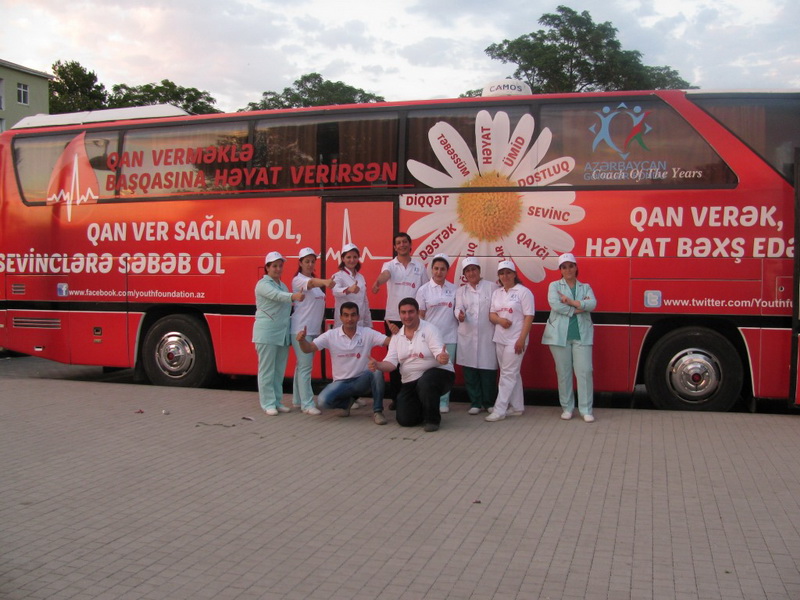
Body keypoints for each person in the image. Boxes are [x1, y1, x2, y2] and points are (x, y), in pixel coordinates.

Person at [295, 302, 393, 425]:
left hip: (361, 381)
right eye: (346, 315)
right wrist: (302, 341)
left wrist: (396, 333)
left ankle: (378, 411)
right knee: (323, 401)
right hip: (341, 383)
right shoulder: (331, 335)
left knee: (377, 371)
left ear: (358, 316)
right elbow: (308, 349)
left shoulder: (367, 333)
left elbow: (389, 342)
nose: (349, 319)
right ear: (340, 317)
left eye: (353, 315)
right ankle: (347, 403)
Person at [369, 298, 454, 432]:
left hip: (438, 373)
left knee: (426, 382)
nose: (407, 316)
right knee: (405, 420)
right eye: (403, 312)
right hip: (410, 380)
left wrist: (441, 357)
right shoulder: (396, 337)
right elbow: (390, 363)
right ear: (399, 314)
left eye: (411, 312)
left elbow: (438, 350)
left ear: (417, 312)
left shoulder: (430, 329)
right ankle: (423, 406)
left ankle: (432, 420)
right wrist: (378, 365)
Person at [371, 232, 429, 405]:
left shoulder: (419, 266)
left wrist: (422, 317)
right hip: (393, 320)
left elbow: (425, 290)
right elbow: (385, 275)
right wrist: (378, 283)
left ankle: (415, 396)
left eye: (405, 242)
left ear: (410, 245)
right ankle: (396, 398)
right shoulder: (389, 265)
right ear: (395, 247)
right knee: (395, 359)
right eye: (398, 243)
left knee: (414, 357)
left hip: (414, 320)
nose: (402, 245)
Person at [542, 253, 597, 423]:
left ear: (576, 267)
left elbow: (593, 304)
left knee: (585, 371)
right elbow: (556, 305)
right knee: (564, 373)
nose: (568, 270)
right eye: (564, 267)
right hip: (559, 336)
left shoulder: (585, 287)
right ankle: (567, 408)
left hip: (582, 336)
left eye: (571, 266)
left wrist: (572, 302)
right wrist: (580, 307)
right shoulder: (554, 286)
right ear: (560, 270)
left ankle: (586, 410)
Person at [253, 251, 305, 416]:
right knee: (267, 370)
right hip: (267, 333)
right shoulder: (262, 284)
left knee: (279, 370)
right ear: (267, 267)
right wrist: (293, 296)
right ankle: (267, 403)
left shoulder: (282, 284)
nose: (277, 269)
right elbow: (277, 296)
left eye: (280, 266)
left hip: (281, 334)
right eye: (274, 266)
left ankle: (277, 401)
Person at [485, 259, 535, 422]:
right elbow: (492, 314)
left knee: (507, 374)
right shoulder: (497, 293)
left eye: (508, 272)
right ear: (498, 276)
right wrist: (500, 321)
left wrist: (521, 339)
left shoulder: (523, 292)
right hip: (499, 338)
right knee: (512, 373)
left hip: (516, 340)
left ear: (514, 274)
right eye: (502, 273)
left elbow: (529, 316)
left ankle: (500, 409)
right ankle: (517, 407)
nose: (505, 276)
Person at [290, 247, 334, 415]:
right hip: (301, 330)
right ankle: (307, 404)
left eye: (312, 261)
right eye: (306, 261)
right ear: (300, 263)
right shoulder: (298, 280)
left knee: (301, 366)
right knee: (305, 368)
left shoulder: (315, 283)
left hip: (313, 330)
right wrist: (325, 282)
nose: (310, 264)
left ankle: (297, 400)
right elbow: (313, 283)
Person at [454, 257, 499, 415]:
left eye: (474, 269)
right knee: (470, 370)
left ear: (479, 271)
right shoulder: (461, 291)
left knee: (488, 370)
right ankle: (475, 402)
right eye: (468, 271)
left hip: (488, 335)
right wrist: (459, 314)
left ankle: (489, 402)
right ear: (464, 274)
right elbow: (458, 307)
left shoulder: (492, 287)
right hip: (467, 334)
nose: (471, 273)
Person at [416, 253, 458, 413]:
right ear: (431, 270)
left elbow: (458, 310)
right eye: (436, 268)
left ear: (447, 271)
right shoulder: (423, 290)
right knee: (427, 369)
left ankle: (443, 402)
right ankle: (427, 401)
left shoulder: (454, 289)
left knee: (445, 370)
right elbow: (420, 315)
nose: (438, 272)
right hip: (430, 338)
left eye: (442, 269)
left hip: (450, 336)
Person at [332, 243, 372, 328]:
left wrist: (368, 324)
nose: (352, 260)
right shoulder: (338, 276)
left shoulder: (361, 277)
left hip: (360, 324)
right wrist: (349, 289)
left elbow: (365, 302)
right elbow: (335, 291)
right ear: (343, 258)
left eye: (355, 257)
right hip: (343, 324)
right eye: (348, 257)